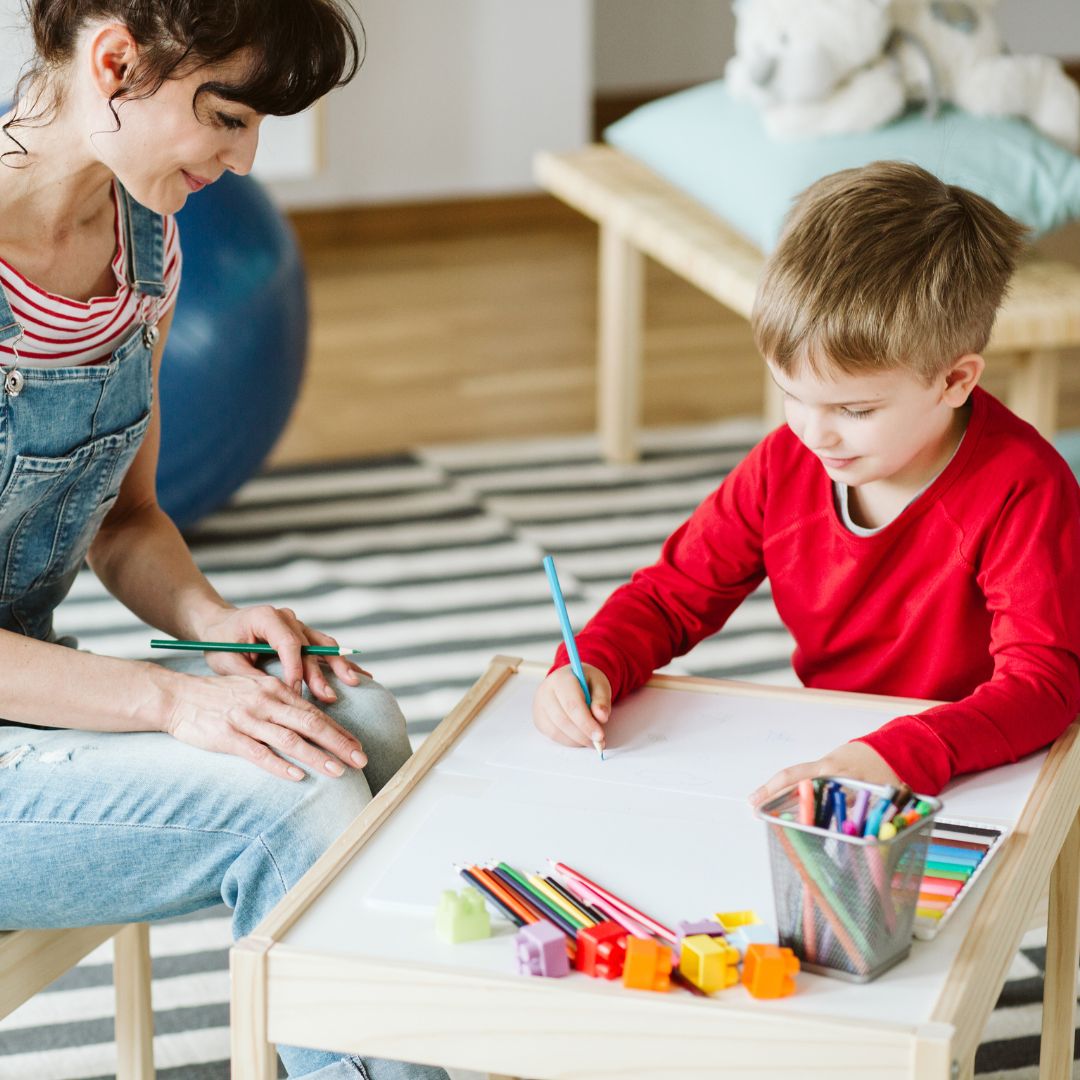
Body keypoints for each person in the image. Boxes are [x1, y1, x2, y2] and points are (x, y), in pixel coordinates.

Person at [0, 3, 449, 1078]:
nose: (245, 159)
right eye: (226, 116)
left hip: (28, 702)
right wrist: (171, 700)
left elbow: (127, 519)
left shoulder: (144, 244)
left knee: (358, 726)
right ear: (115, 60)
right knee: (287, 800)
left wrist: (214, 625)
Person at [533, 160, 1080, 802]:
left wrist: (895, 756)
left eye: (855, 411)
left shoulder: (1025, 489)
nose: (815, 434)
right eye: (792, 395)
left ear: (956, 381)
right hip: (841, 750)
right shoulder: (785, 461)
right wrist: (591, 661)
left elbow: (1044, 685)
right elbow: (672, 596)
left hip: (980, 763)